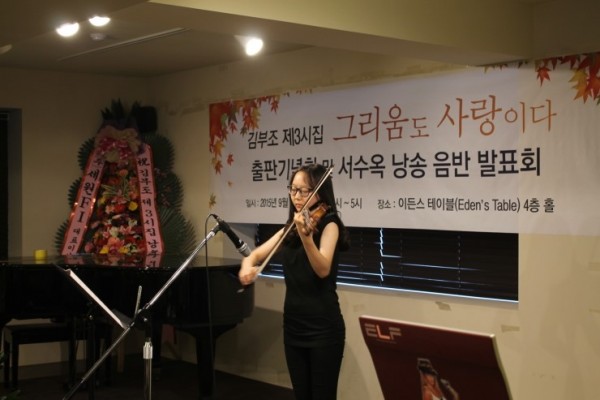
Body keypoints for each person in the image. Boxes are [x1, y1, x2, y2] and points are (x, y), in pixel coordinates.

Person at [239, 163, 350, 400]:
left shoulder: (330, 224)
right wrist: (247, 267)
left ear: (320, 192)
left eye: (304, 191)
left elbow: (322, 269)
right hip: (293, 326)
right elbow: (255, 255)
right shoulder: (291, 227)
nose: (296, 196)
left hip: (323, 328)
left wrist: (306, 237)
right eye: (293, 189)